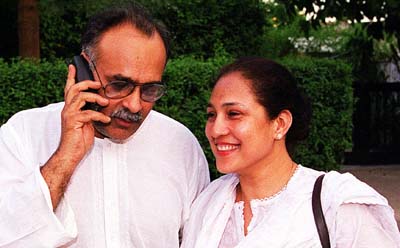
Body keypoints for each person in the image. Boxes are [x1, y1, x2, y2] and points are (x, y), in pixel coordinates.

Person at [0, 3, 210, 247]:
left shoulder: (181, 145)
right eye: (119, 85)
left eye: (150, 89)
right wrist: (66, 157)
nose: (134, 105)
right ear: (83, 70)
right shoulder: (23, 135)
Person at [181, 57, 400, 247]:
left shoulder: (336, 205)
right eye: (211, 115)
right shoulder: (208, 204)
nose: (216, 129)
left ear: (280, 124)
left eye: (234, 113)